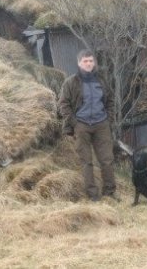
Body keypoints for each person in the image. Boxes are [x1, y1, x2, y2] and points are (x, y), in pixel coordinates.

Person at [58, 49, 117, 201]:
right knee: (87, 162)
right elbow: (63, 104)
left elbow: (110, 100)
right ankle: (93, 196)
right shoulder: (71, 82)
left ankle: (109, 193)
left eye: (91, 61)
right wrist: (74, 123)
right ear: (79, 63)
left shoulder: (102, 80)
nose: (89, 63)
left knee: (107, 160)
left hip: (101, 125)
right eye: (85, 61)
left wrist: (108, 119)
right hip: (81, 125)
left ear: (94, 63)